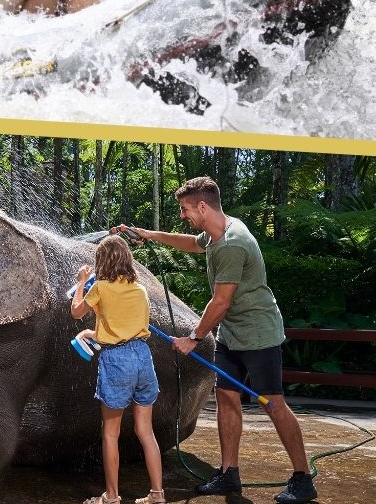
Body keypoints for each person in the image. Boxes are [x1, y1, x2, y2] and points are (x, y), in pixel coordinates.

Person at [127, 176, 318, 504]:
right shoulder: (216, 233)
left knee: (273, 404)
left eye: (186, 209)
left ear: (203, 206)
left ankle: (302, 478)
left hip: (258, 334)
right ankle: (229, 473)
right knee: (227, 399)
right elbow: (192, 243)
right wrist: (150, 235)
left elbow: (220, 302)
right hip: (232, 333)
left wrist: (193, 338)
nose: (184, 214)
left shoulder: (231, 242)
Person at [70, 235, 165, 504]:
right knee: (145, 431)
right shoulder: (140, 289)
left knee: (111, 433)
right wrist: (93, 331)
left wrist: (80, 283)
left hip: (116, 361)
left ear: (102, 262)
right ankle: (157, 494)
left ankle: (111, 497)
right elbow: (124, 329)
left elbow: (76, 311)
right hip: (143, 357)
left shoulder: (99, 288)